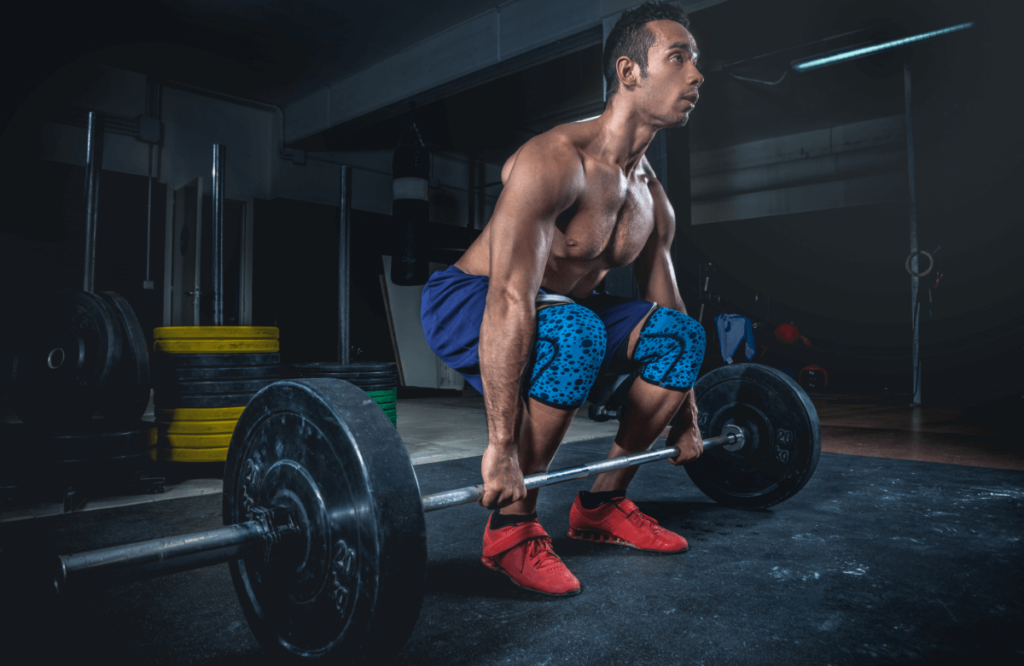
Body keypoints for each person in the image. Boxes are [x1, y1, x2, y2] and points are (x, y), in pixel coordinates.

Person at [420, 1, 706, 597]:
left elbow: (671, 309)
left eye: (696, 62)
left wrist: (689, 416)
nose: (696, 76)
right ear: (629, 72)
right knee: (576, 330)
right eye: (678, 59)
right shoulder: (553, 160)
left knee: (681, 337)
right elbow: (508, 293)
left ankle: (603, 506)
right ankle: (512, 529)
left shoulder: (653, 198)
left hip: (557, 309)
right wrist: (500, 447)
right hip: (469, 298)